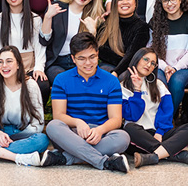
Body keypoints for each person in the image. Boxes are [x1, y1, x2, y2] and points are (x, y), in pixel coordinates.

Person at [41, 32, 130, 173]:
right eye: (81, 59)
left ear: (97, 54)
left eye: (92, 57)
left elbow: (116, 119)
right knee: (53, 126)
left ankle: (66, 158)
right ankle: (103, 162)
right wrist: (77, 122)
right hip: (71, 134)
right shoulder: (61, 80)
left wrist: (100, 130)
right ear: (73, 59)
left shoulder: (111, 80)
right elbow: (59, 116)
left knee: (123, 138)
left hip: (99, 135)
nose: (88, 63)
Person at [121, 48, 188, 168]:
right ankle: (173, 154)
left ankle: (153, 156)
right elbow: (133, 116)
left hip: (159, 134)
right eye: (146, 60)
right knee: (129, 128)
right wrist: (137, 91)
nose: (148, 65)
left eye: (153, 63)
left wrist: (159, 132)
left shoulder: (159, 85)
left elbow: (166, 113)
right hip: (138, 136)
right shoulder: (122, 87)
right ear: (136, 60)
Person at [0, 0, 50, 105]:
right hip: (6, 65)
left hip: (29, 65)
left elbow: (40, 47)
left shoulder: (35, 19)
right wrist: (4, 68)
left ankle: (35, 119)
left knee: (42, 85)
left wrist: (39, 68)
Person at [39, 0, 104, 84]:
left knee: (85, 82)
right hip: (56, 62)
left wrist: (92, 32)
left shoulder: (92, 17)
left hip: (81, 62)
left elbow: (93, 51)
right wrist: (48, 17)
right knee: (65, 81)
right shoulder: (57, 7)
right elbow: (44, 41)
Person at [149, 0, 188, 118]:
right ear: (161, 3)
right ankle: (160, 118)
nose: (169, 4)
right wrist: (166, 67)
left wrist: (175, 68)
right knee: (159, 82)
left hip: (183, 68)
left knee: (176, 82)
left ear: (180, 0)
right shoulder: (155, 22)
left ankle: (166, 118)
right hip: (160, 67)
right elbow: (151, 51)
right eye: (165, 1)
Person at [97, 0, 150, 76]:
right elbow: (101, 51)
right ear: (114, 4)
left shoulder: (142, 27)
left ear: (135, 3)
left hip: (129, 68)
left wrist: (116, 72)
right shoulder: (107, 23)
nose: (125, 2)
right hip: (107, 66)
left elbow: (132, 55)